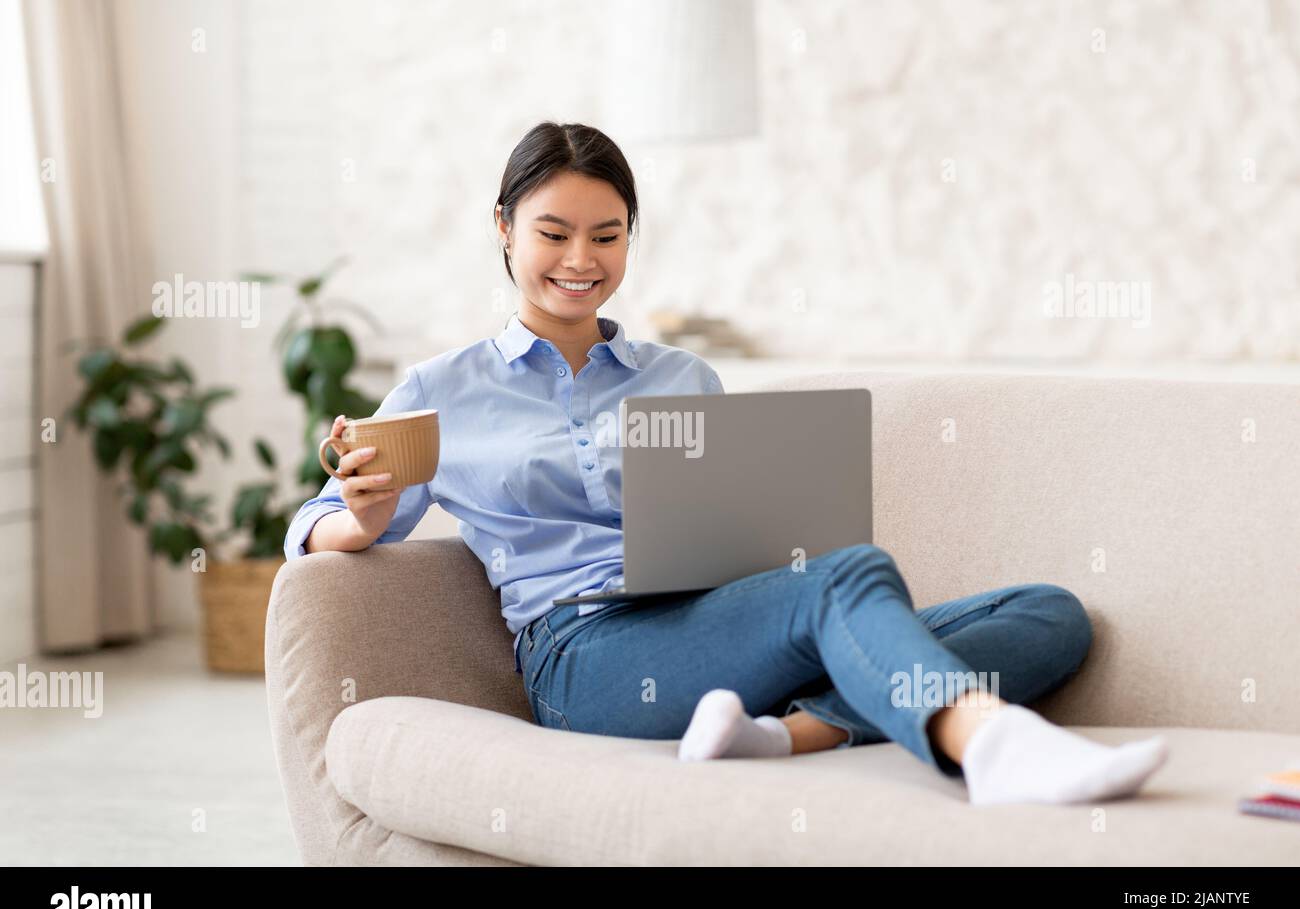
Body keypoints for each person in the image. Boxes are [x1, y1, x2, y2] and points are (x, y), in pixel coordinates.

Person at [284, 121, 1169, 806]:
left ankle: (783, 736)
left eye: (608, 234)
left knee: (1050, 614)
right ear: (505, 229)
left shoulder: (683, 376)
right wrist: (357, 520)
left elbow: (732, 525)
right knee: (849, 580)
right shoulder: (444, 387)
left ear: (632, 237)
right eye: (554, 233)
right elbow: (308, 525)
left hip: (711, 621)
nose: (581, 261)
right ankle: (990, 750)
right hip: (581, 658)